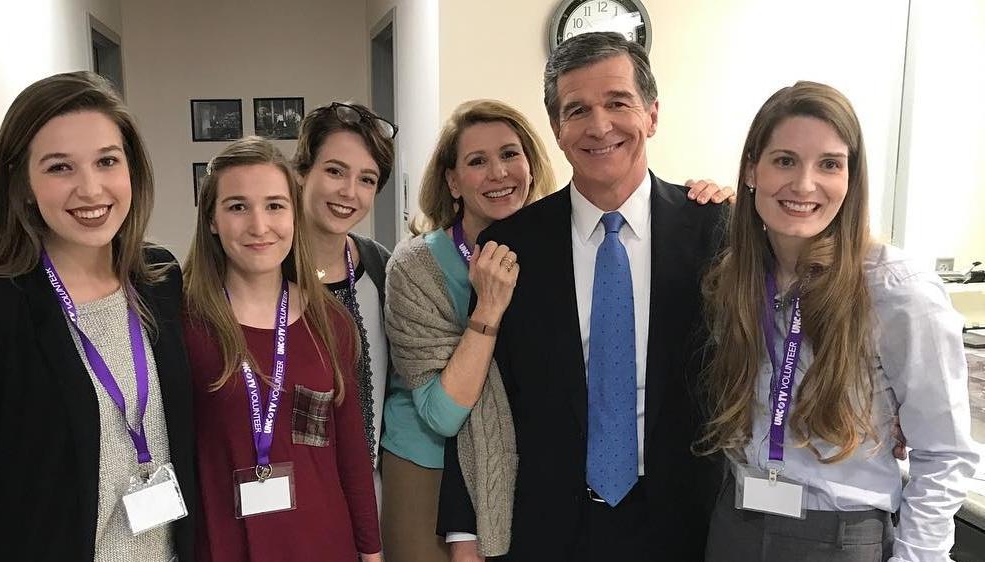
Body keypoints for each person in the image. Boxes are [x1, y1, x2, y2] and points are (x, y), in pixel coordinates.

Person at [438, 32, 730, 561]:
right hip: (549, 529)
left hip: (687, 527)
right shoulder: (511, 246)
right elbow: (489, 401)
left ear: (653, 115)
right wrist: (463, 531)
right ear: (556, 128)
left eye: (618, 103)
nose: (600, 126)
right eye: (578, 110)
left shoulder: (717, 231)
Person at [0, 71, 199, 561]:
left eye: (107, 161)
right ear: (23, 184)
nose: (90, 189)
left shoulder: (159, 278)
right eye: (59, 168)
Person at [698, 81, 979, 562]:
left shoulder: (895, 289)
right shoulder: (734, 280)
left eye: (829, 164)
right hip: (735, 526)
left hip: (838, 539)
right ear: (751, 169)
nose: (805, 185)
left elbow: (944, 454)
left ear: (851, 178)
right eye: (785, 160)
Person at [182, 136, 382, 561]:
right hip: (226, 544)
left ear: (294, 214)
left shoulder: (331, 322)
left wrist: (372, 551)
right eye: (238, 206)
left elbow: (351, 453)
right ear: (212, 220)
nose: (259, 226)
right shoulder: (185, 324)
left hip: (324, 542)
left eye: (275, 205)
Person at [381, 99, 558, 562]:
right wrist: (488, 309)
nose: (498, 173)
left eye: (510, 154)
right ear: (453, 181)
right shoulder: (417, 266)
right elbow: (442, 413)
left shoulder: (558, 252)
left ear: (531, 166)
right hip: (430, 467)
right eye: (477, 161)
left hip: (524, 466)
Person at [292, 102, 397, 498]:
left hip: (370, 493)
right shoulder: (260, 271)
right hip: (292, 494)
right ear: (302, 172)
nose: (349, 192)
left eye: (367, 180)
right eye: (335, 171)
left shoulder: (382, 268)